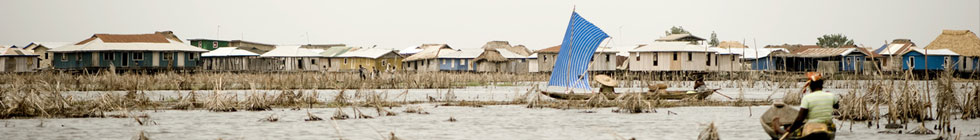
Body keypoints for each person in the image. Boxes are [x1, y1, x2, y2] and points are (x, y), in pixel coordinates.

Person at [772, 72, 838, 139]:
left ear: (810, 86)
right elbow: (836, 106)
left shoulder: (807, 98)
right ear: (821, 86)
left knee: (795, 132)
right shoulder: (831, 96)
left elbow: (800, 119)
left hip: (811, 127)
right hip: (827, 127)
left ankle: (781, 131)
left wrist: (790, 129)